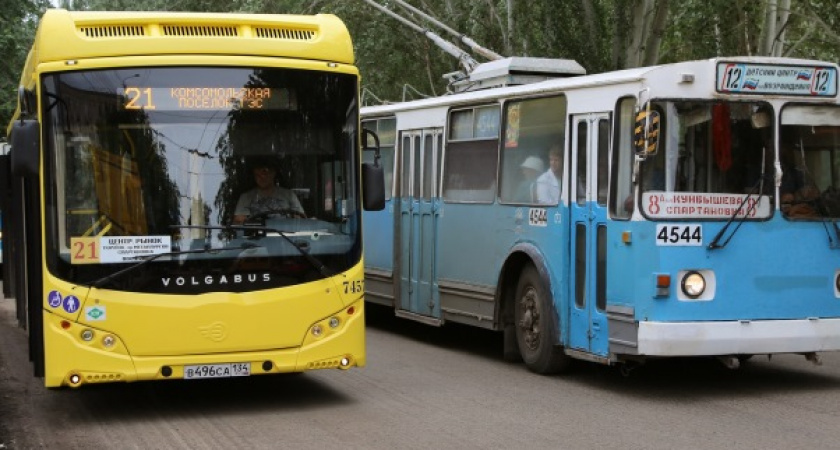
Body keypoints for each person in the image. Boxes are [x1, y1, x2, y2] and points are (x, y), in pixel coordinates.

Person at [232, 156, 305, 224]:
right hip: (256, 236)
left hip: (286, 235)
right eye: (257, 175)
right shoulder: (245, 198)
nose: (261, 178)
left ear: (273, 173)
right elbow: (239, 222)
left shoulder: (289, 195)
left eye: (264, 173)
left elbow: (301, 220)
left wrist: (297, 219)